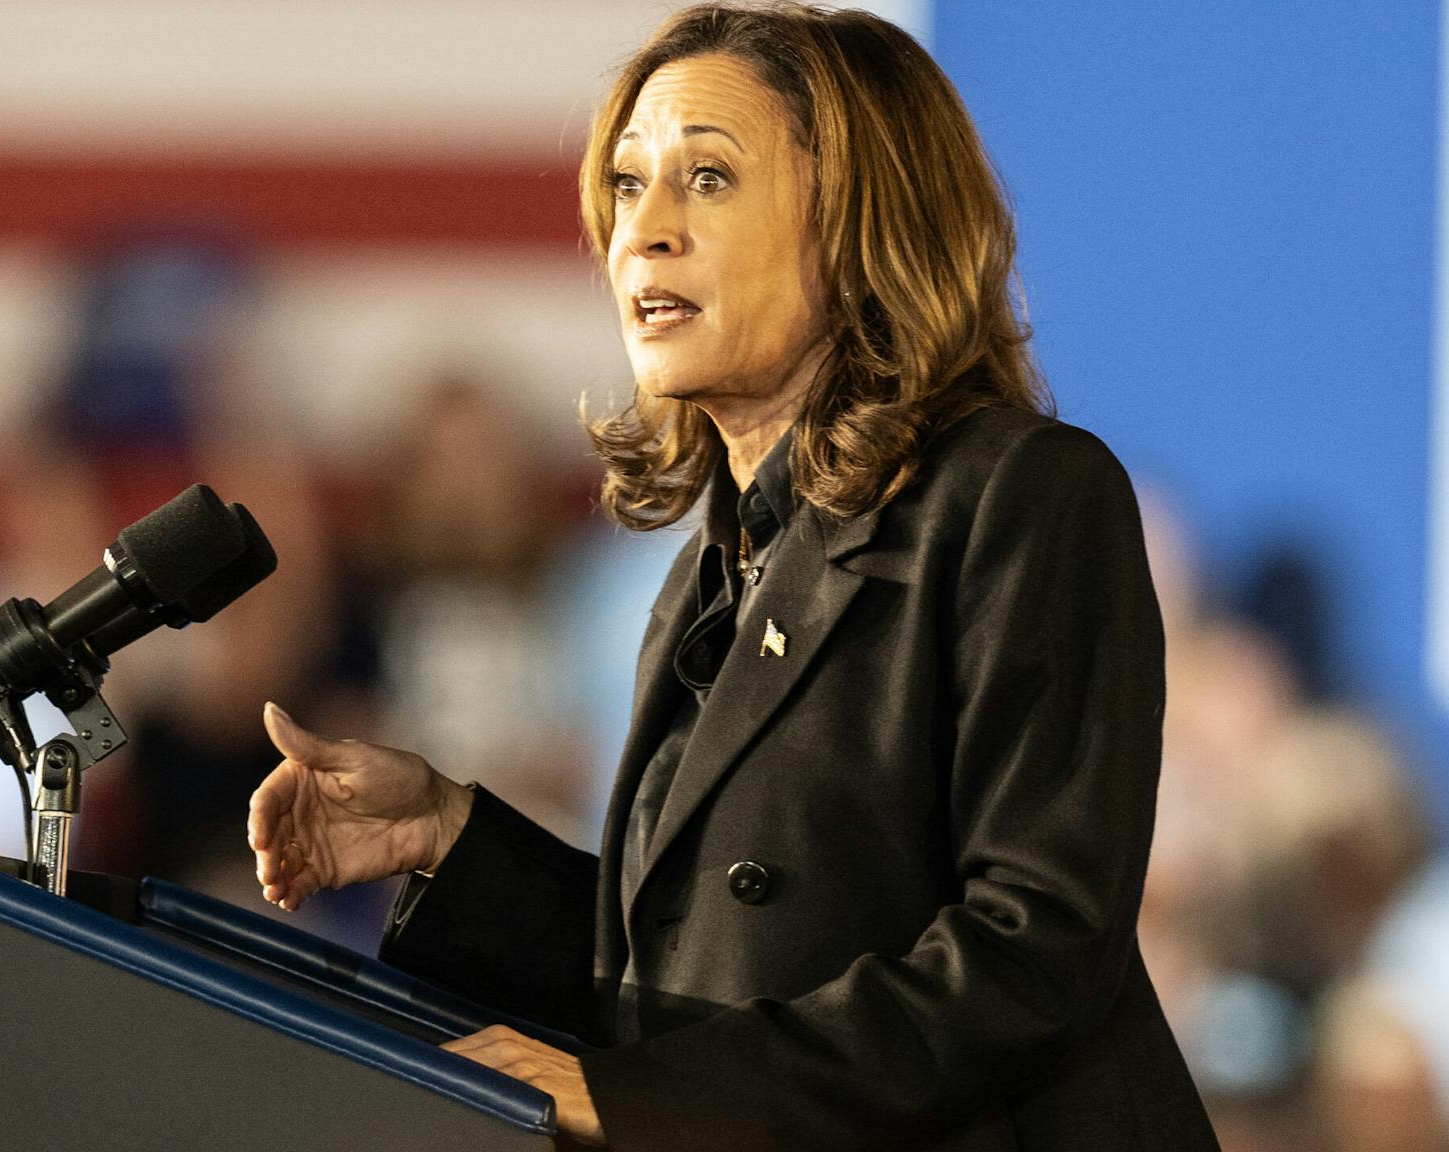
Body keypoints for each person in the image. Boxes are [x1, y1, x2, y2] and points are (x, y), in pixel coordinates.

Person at [247, 4, 1220, 1149]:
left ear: (862, 220)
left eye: (706, 179)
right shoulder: (707, 575)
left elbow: (1032, 951)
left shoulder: (1020, 495)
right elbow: (688, 971)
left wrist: (647, 1101)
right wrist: (447, 835)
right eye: (623, 185)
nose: (641, 234)